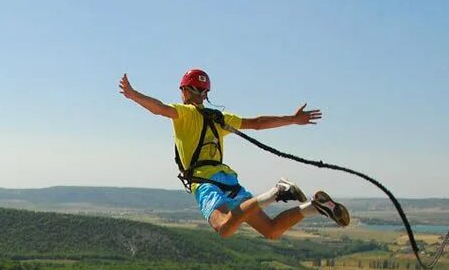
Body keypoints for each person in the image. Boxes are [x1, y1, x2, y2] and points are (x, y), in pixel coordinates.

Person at [119, 68, 350, 238]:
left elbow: (159, 108)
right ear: (205, 93)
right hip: (228, 179)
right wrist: (292, 119)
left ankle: (276, 192)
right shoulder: (220, 118)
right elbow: (258, 123)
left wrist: (133, 94)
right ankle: (315, 207)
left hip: (204, 181)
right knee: (270, 231)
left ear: (185, 91)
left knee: (223, 227)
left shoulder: (186, 113)